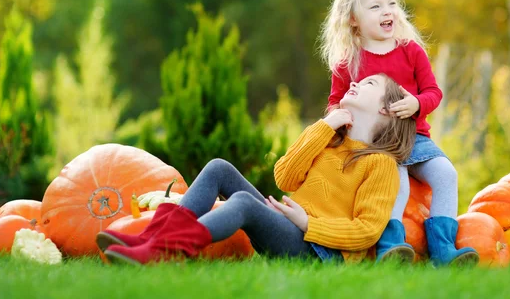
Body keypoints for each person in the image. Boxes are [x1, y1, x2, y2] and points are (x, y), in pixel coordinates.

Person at [97, 74, 416, 265]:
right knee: (218, 168)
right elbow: (284, 177)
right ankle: (153, 241)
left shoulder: (381, 165)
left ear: (387, 110)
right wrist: (323, 127)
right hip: (289, 227)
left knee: (245, 205)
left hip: (315, 250)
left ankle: (168, 250)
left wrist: (309, 223)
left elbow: (367, 231)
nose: (357, 82)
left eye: (370, 83)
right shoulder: (331, 141)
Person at [319, 0, 478, 266]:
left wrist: (417, 105)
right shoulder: (348, 62)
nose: (387, 11)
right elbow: (334, 103)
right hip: (376, 145)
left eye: (392, 3)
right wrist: (338, 116)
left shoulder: (411, 51)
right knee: (397, 183)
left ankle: (444, 251)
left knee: (447, 174)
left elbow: (433, 92)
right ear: (353, 19)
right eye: (375, 6)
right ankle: (390, 246)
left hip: (414, 137)